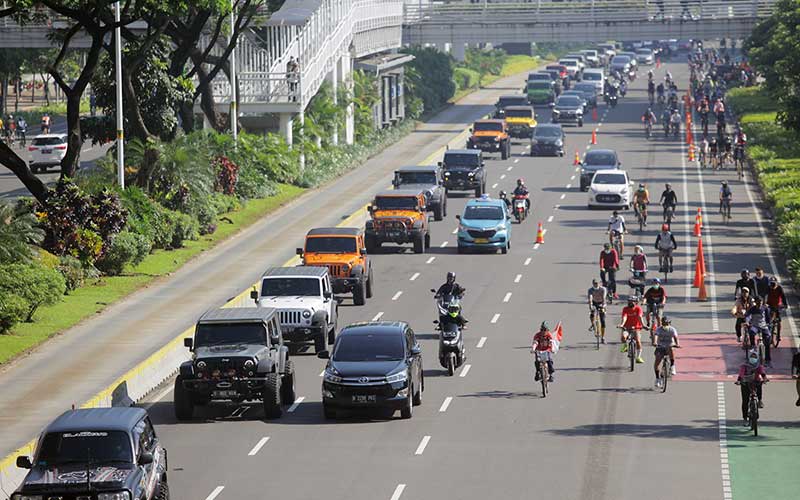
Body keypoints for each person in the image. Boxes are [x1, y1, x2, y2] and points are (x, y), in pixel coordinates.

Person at [736, 350, 768, 425]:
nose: (753, 358)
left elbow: (763, 373)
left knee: (759, 384)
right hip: (745, 383)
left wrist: (765, 379)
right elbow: (741, 374)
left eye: (755, 357)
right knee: (745, 401)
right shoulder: (744, 366)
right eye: (751, 357)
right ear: (749, 357)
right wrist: (739, 381)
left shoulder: (759, 366)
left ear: (757, 358)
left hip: (755, 382)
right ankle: (745, 418)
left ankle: (760, 400)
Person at [745, 296, 773, 366]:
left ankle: (767, 359)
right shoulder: (752, 309)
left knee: (767, 340)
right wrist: (747, 321)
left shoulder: (765, 308)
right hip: (755, 326)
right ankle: (753, 346)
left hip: (763, 326)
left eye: (760, 303)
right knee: (751, 332)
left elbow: (768, 319)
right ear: (755, 303)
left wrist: (769, 324)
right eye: (758, 303)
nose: (759, 304)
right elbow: (748, 316)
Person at [653, 316, 680, 387]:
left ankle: (672, 365)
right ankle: (657, 378)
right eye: (664, 323)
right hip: (660, 346)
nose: (665, 325)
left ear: (670, 323)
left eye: (667, 323)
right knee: (657, 362)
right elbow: (656, 335)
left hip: (669, 345)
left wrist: (677, 344)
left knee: (670, 349)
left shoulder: (672, 329)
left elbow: (676, 337)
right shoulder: (659, 329)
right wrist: (655, 342)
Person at [619, 297, 645, 364]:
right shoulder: (625, 309)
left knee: (638, 340)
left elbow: (640, 317)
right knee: (623, 337)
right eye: (629, 301)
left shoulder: (638, 308)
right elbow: (624, 317)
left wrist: (643, 325)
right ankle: (625, 346)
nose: (630, 302)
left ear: (636, 302)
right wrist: (622, 324)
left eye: (632, 301)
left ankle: (638, 357)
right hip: (627, 328)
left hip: (636, 328)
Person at [766, 276, 787, 346]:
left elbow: (783, 296)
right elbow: (764, 295)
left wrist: (785, 304)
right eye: (771, 284)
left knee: (779, 320)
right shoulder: (768, 288)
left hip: (778, 305)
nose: (772, 286)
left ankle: (778, 335)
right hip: (770, 304)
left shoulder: (779, 288)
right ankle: (769, 332)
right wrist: (763, 303)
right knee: (769, 319)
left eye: (774, 284)